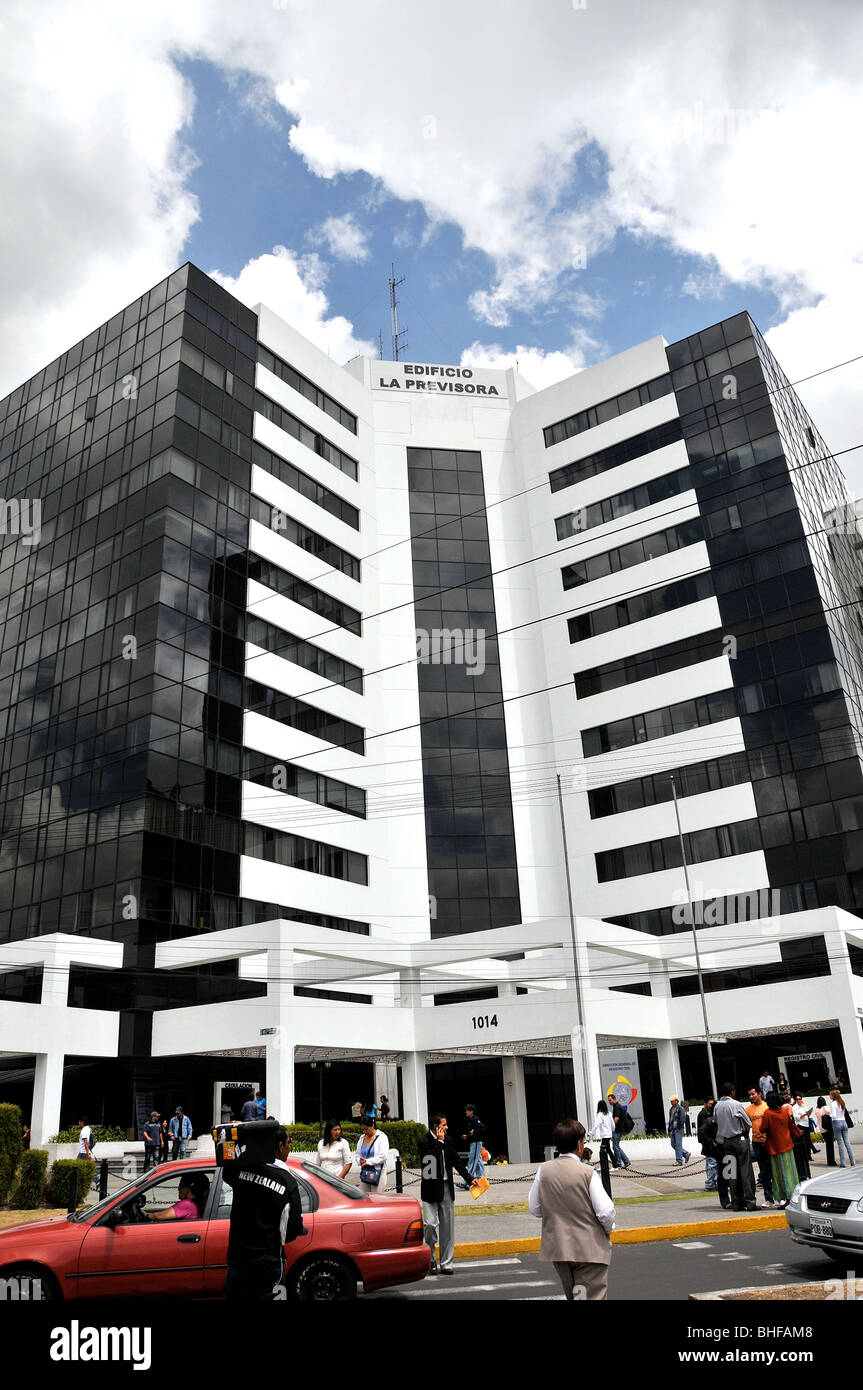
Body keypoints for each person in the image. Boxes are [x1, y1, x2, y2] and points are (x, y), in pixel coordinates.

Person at [528, 1118, 615, 1301]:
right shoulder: (587, 1172)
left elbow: (535, 1208)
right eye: (583, 1141)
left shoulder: (543, 1171)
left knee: (574, 1296)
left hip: (559, 1249)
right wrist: (607, 1231)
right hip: (589, 1249)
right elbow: (605, 1212)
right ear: (578, 1144)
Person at [222, 1126, 304, 1301]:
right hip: (268, 1263)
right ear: (280, 1146)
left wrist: (239, 1134)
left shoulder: (240, 1171)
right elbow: (294, 1229)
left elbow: (226, 1163)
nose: (290, 1147)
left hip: (238, 1262)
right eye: (289, 1143)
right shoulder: (287, 1181)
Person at [418, 1113, 477, 1275]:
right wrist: (439, 1142)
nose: (447, 1127)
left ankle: (446, 1262)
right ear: (435, 1127)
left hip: (446, 1188)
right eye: (444, 1125)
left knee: (447, 1227)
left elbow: (457, 1162)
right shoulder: (424, 1142)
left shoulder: (449, 1141)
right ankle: (430, 1259)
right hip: (430, 1189)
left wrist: (469, 1178)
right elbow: (428, 1163)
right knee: (429, 1225)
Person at [714, 1082, 756, 1211]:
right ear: (732, 1092)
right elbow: (748, 1122)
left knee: (731, 1172)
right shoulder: (736, 1104)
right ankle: (749, 1202)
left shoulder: (717, 1106)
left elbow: (716, 1121)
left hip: (726, 1142)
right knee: (745, 1171)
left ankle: (736, 1202)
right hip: (738, 1139)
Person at [760, 1090, 798, 1206]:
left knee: (779, 1174)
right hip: (787, 1145)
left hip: (775, 1148)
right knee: (790, 1172)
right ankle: (793, 1196)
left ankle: (785, 1198)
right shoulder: (784, 1111)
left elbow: (762, 1128)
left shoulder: (767, 1113)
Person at [745, 1088, 774, 1205]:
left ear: (759, 1094)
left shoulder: (767, 1106)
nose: (751, 1097)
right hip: (756, 1142)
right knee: (764, 1172)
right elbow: (746, 1127)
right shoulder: (747, 1110)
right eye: (749, 1095)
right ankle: (769, 1199)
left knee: (773, 1170)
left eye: (753, 1094)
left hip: (769, 1141)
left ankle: (780, 1196)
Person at [696, 1099, 723, 1200]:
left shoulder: (711, 1118)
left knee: (711, 1164)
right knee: (712, 1164)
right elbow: (702, 1132)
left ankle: (712, 1183)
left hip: (711, 1145)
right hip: (710, 1146)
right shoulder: (707, 1117)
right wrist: (712, 1142)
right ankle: (710, 1184)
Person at [356, 1114, 389, 1192]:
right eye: (362, 1129)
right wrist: (360, 1161)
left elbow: (383, 1156)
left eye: (366, 1129)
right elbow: (357, 1153)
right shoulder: (362, 1138)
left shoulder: (382, 1137)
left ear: (372, 1125)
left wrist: (367, 1162)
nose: (364, 1131)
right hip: (365, 1171)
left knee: (376, 1198)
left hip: (378, 1172)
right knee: (363, 1198)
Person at [460, 1103, 487, 1187]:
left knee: (471, 1162)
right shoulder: (470, 1120)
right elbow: (472, 1133)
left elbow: (483, 1128)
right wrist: (467, 1136)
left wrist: (474, 1132)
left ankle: (467, 1182)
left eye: (467, 1110)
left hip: (476, 1143)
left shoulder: (475, 1119)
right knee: (478, 1162)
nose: (466, 1112)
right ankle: (481, 1180)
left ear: (471, 1111)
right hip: (473, 1143)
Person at [828, 1089, 856, 1167]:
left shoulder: (833, 1103)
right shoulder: (842, 1102)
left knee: (840, 1143)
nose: (829, 1096)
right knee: (847, 1142)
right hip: (844, 1122)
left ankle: (843, 1163)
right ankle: (853, 1161)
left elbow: (833, 1116)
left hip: (836, 1123)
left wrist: (828, 1114)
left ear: (833, 1096)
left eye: (830, 1095)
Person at [590, 1100, 616, 1171]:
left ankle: (606, 1166)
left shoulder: (600, 1115)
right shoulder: (609, 1113)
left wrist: (591, 1133)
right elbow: (612, 1124)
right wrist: (612, 1130)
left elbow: (596, 1125)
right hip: (609, 1135)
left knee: (602, 1150)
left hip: (604, 1135)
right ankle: (614, 1165)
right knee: (608, 1150)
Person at [667, 1095, 690, 1165]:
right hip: (672, 1129)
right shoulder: (671, 1109)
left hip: (678, 1129)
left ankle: (679, 1161)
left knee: (678, 1145)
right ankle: (686, 1154)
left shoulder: (680, 1109)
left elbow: (682, 1119)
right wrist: (669, 1129)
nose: (671, 1102)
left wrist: (679, 1127)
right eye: (671, 1101)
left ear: (676, 1101)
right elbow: (670, 1120)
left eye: (672, 1101)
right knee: (673, 1144)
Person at [609, 1094, 631, 1169]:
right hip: (619, 1129)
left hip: (617, 1130)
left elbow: (616, 1119)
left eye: (610, 1100)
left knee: (616, 1147)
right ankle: (626, 1161)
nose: (609, 1102)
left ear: (614, 1099)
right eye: (609, 1100)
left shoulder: (617, 1107)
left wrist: (611, 1127)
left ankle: (618, 1164)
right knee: (616, 1147)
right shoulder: (617, 1106)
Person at [815, 1095, 836, 1166]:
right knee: (830, 1146)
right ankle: (831, 1162)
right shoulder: (826, 1108)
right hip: (828, 1129)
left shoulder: (816, 1110)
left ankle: (830, 1161)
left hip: (822, 1129)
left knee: (828, 1145)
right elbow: (831, 1113)